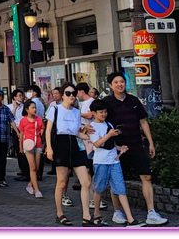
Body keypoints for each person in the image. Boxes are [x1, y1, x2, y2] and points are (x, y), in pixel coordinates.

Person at [103, 71, 167, 226]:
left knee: (146, 177)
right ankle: (117, 212)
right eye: (116, 82)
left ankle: (151, 212)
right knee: (117, 180)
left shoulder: (133, 100)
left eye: (122, 82)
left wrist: (150, 142)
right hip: (118, 148)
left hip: (137, 144)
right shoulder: (107, 102)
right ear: (111, 85)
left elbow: (143, 122)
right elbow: (100, 120)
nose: (120, 84)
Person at [87, 99, 143, 226]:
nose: (104, 114)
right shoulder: (92, 127)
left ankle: (130, 218)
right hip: (101, 162)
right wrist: (109, 135)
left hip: (114, 161)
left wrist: (119, 148)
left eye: (105, 112)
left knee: (120, 189)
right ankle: (96, 214)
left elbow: (111, 143)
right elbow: (96, 144)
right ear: (94, 113)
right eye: (101, 112)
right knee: (99, 189)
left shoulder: (109, 125)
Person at [45, 83, 93, 226]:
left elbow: (77, 132)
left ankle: (86, 216)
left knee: (86, 181)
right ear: (62, 94)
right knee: (61, 182)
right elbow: (48, 130)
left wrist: (92, 137)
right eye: (68, 93)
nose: (71, 96)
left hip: (75, 144)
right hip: (61, 144)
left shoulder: (76, 112)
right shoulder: (55, 109)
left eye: (73, 93)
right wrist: (49, 148)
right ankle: (59, 214)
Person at [18, 99, 45, 198]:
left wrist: (40, 137)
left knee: (37, 168)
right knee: (32, 167)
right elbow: (21, 134)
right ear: (27, 109)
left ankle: (30, 185)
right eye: (32, 108)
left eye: (35, 108)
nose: (35, 110)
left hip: (37, 144)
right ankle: (36, 189)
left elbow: (42, 129)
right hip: (28, 145)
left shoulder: (39, 120)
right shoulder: (23, 121)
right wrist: (21, 146)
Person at [9, 89, 27, 183]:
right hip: (16, 130)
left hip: (24, 130)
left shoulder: (25, 107)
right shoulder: (10, 106)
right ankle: (22, 169)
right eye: (19, 95)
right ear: (14, 97)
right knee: (18, 150)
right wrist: (15, 108)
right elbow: (10, 118)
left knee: (24, 151)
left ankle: (25, 171)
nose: (21, 97)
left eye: (22, 95)